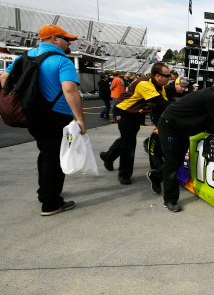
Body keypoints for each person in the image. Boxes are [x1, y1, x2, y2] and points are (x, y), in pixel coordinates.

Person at [0, 24, 86, 216]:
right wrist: (79, 119)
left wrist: (26, 97)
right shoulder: (62, 61)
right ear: (54, 39)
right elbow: (70, 90)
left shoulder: (25, 57)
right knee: (54, 157)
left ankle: (46, 190)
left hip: (33, 114)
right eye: (66, 39)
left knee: (45, 152)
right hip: (55, 115)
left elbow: (4, 77)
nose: (68, 42)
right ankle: (51, 202)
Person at [147, 74, 214, 212]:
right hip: (170, 126)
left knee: (176, 161)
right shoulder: (213, 97)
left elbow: (212, 120)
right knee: (172, 163)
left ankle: (155, 176)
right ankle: (170, 200)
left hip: (181, 128)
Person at [100, 63, 170, 185]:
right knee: (129, 142)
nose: (170, 78)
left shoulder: (160, 86)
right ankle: (124, 174)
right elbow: (161, 103)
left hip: (136, 114)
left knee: (127, 137)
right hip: (123, 111)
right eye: (167, 75)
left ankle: (108, 157)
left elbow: (165, 104)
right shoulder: (145, 84)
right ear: (158, 76)